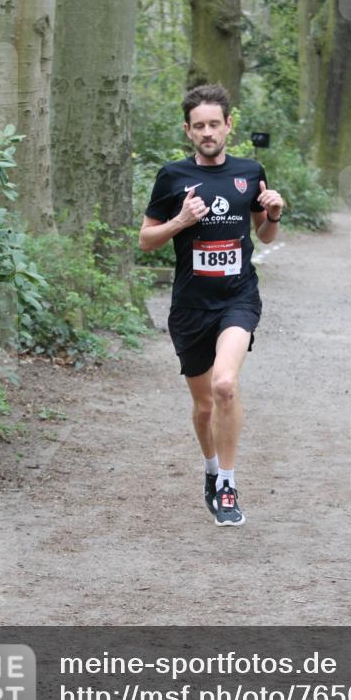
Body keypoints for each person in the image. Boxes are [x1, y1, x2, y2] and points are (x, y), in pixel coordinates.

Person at [139, 84, 284, 526]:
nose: (207, 132)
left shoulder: (249, 171)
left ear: (228, 126)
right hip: (190, 306)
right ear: (188, 130)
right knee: (204, 407)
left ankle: (227, 483)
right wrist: (181, 221)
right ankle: (209, 469)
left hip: (237, 298)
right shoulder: (172, 177)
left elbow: (264, 235)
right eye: (198, 126)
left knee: (226, 385)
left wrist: (274, 213)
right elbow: (146, 241)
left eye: (214, 124)